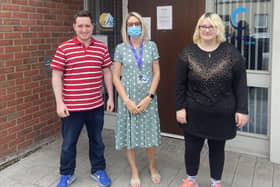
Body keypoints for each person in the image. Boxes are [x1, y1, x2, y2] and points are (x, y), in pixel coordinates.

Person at [175, 13, 248, 187]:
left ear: (218, 29)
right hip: (194, 113)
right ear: (198, 29)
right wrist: (180, 108)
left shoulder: (231, 53)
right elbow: (179, 84)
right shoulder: (187, 53)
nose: (207, 30)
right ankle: (191, 180)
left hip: (222, 113)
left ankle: (216, 182)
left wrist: (242, 110)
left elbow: (240, 84)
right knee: (192, 149)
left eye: (211, 26)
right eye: (203, 26)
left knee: (217, 150)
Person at [51, 10, 114, 187]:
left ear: (93, 26)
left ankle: (98, 170)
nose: (84, 29)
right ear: (74, 27)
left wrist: (110, 97)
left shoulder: (101, 48)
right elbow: (56, 76)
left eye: (87, 25)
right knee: (68, 144)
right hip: (71, 108)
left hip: (95, 106)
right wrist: (59, 102)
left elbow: (107, 72)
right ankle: (66, 174)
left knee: (97, 141)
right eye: (80, 26)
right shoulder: (64, 48)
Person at [113, 12, 161, 187]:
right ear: (126, 28)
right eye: (130, 24)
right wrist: (126, 100)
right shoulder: (121, 48)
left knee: (150, 136)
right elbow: (116, 77)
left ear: (142, 25)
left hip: (148, 99)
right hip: (128, 100)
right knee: (130, 137)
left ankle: (152, 166)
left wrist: (150, 96)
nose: (134, 27)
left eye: (137, 23)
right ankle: (134, 170)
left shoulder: (151, 46)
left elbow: (157, 73)